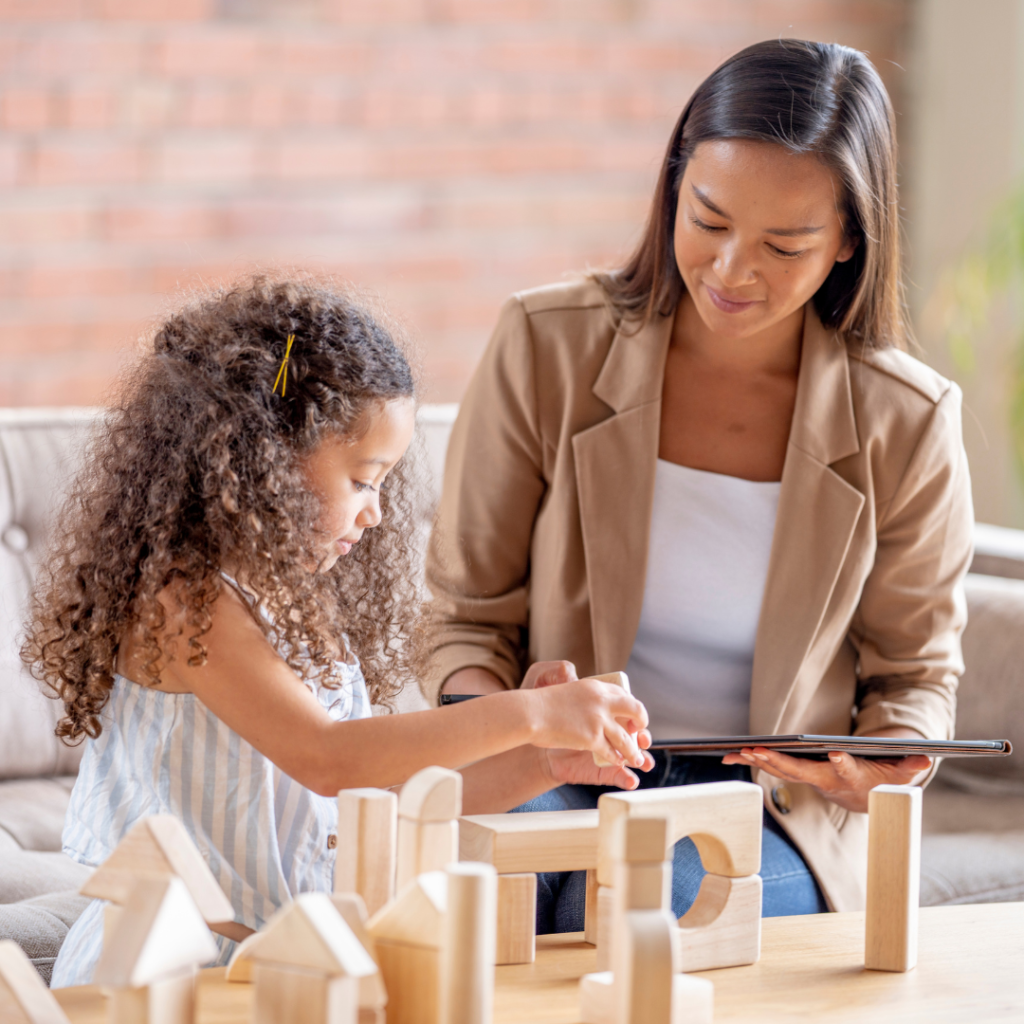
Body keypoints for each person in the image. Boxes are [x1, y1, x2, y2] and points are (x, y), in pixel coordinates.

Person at [424, 39, 974, 928]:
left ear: (846, 243)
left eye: (783, 245)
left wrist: (884, 759)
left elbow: (915, 677)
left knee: (640, 918)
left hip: (766, 808)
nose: (730, 271)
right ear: (674, 186)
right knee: (485, 895)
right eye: (708, 221)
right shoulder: (545, 345)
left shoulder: (905, 419)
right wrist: (513, 724)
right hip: (556, 764)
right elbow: (464, 617)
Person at [24, 277, 652, 987]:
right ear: (263, 460)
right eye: (362, 479)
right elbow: (328, 758)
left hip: (294, 964)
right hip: (170, 969)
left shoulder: (297, 609)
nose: (377, 513)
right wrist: (527, 711)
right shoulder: (185, 604)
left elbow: (372, 805)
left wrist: (541, 759)